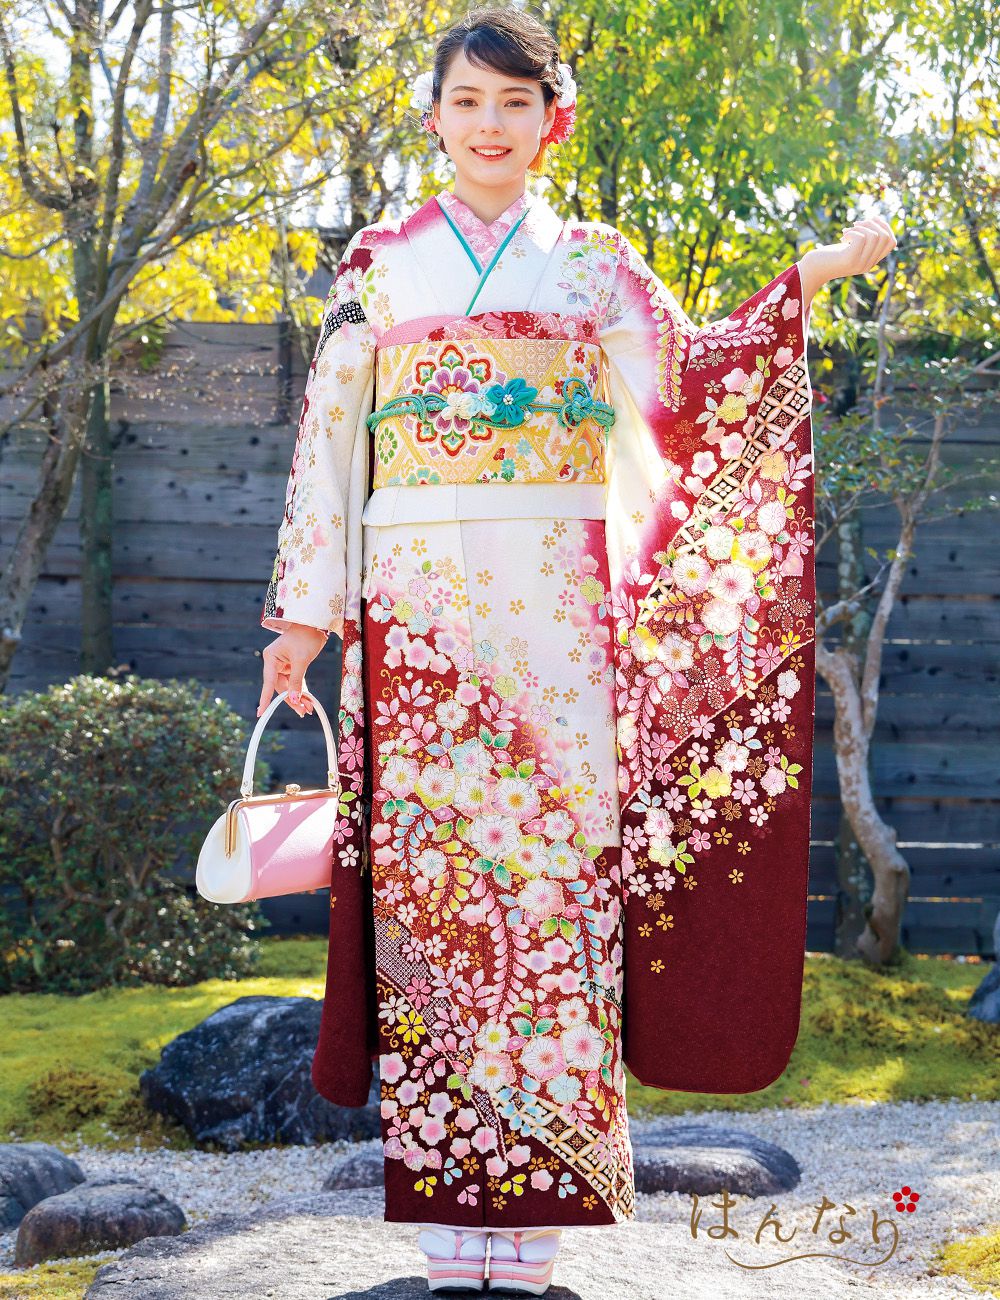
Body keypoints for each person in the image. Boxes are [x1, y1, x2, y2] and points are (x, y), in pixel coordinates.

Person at [256, 7, 896, 1294]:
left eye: (513, 102)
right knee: (440, 906)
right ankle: (451, 1230)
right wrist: (306, 620)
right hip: (417, 615)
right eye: (465, 102)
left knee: (551, 904)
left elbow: (695, 382)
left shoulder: (597, 266)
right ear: (433, 118)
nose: (488, 126)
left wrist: (805, 281)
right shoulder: (380, 263)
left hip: (559, 621)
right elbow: (329, 439)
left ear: (551, 120)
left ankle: (538, 1232)